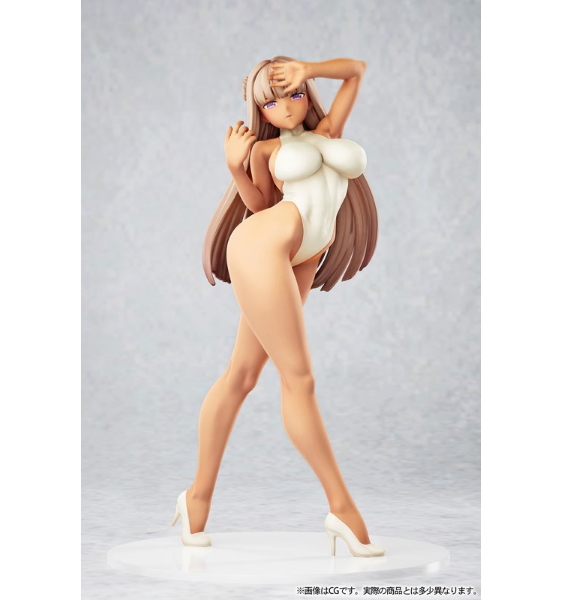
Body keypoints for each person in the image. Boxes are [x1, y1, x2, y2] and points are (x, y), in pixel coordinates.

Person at [171, 56, 383, 557]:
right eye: (271, 100)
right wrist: (234, 166)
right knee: (299, 379)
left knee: (242, 376)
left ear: (306, 93)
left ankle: (195, 498)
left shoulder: (328, 132)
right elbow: (261, 207)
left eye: (292, 93)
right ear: (259, 108)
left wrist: (308, 68)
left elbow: (356, 70)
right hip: (263, 244)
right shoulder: (266, 149)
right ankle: (342, 508)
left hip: (303, 255)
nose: (285, 107)